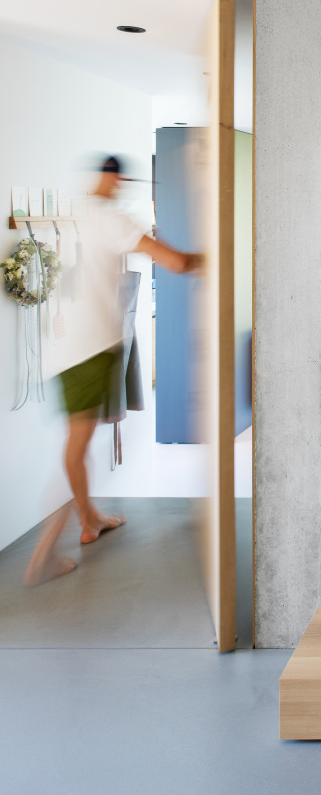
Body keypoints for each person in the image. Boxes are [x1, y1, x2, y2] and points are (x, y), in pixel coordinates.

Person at [23, 155, 202, 585]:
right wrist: (211, 257)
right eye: (118, 177)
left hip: (63, 348)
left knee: (80, 443)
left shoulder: (74, 213)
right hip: (91, 350)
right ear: (113, 177)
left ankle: (90, 520)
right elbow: (174, 262)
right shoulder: (111, 219)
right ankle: (44, 554)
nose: (121, 184)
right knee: (80, 450)